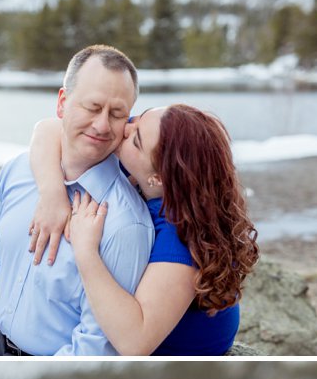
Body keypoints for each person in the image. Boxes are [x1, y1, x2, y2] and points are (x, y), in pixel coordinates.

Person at [0, 47, 152, 356]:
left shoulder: (126, 224)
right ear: (62, 103)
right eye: (92, 107)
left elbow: (95, 346)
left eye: (117, 113)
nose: (101, 125)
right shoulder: (16, 171)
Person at [27, 103, 259, 356]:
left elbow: (134, 342)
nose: (125, 129)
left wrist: (86, 252)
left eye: (135, 139)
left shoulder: (181, 240)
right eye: (137, 119)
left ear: (158, 178)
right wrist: (52, 193)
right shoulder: (149, 157)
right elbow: (48, 129)